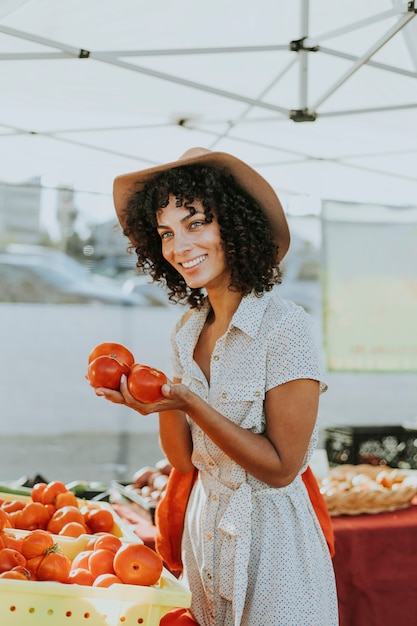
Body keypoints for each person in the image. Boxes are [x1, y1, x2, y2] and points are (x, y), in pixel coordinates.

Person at [96, 147, 339, 626]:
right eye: (166, 232)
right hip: (205, 536)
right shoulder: (188, 330)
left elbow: (282, 468)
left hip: (275, 551)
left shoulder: (283, 327)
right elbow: (185, 460)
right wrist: (164, 399)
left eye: (195, 224)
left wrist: (189, 400)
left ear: (235, 226)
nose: (178, 246)